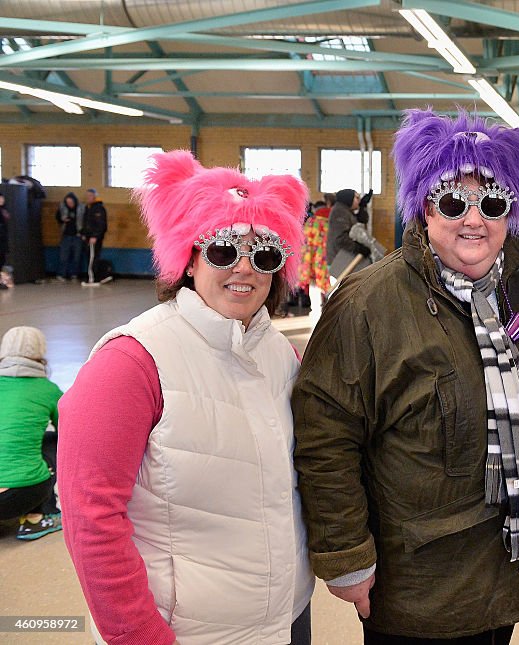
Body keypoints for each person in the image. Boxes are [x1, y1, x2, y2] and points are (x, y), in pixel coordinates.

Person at [291, 110, 519, 644]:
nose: (474, 220)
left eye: (492, 205)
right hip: (419, 584)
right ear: (424, 207)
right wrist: (348, 557)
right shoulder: (369, 302)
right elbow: (325, 435)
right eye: (453, 203)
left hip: (505, 570)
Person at [58, 150, 314, 645]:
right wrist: (139, 635)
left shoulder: (279, 355)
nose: (244, 269)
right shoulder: (131, 363)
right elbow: (90, 516)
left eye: (264, 256)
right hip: (189, 633)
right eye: (222, 250)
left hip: (284, 619)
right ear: (190, 258)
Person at [0, 326, 62, 540]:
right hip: (18, 495)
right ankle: (38, 518)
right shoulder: (48, 390)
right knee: (53, 441)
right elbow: (70, 435)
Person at [326, 188, 370, 278]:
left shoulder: (345, 210)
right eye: (357, 198)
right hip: (339, 259)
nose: (359, 200)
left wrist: (362, 206)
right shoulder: (339, 212)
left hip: (344, 258)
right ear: (349, 198)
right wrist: (358, 248)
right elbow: (340, 239)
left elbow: (362, 219)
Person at [80, 188, 109, 285]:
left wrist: (95, 236)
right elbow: (86, 223)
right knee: (90, 257)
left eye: (90, 196)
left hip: (95, 238)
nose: (87, 198)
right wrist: (84, 234)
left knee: (93, 257)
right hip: (88, 237)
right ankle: (94, 276)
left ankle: (93, 278)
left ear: (94, 197)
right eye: (87, 196)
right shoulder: (88, 208)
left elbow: (101, 224)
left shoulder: (98, 208)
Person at [55, 192, 85, 281]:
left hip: (77, 235)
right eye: (68, 203)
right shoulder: (63, 208)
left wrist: (83, 233)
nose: (69, 204)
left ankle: (74, 274)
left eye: (71, 202)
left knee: (77, 257)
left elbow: (85, 220)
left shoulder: (81, 208)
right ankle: (62, 274)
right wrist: (62, 219)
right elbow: (57, 217)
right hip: (66, 235)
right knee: (63, 256)